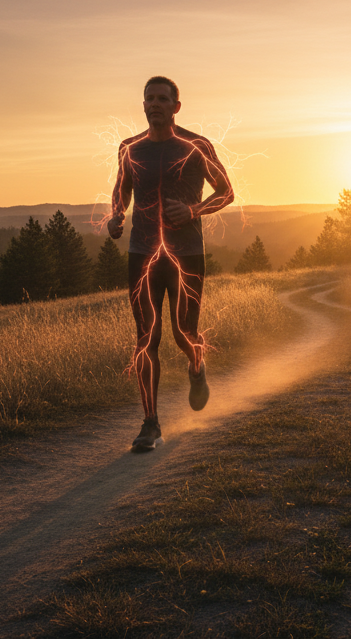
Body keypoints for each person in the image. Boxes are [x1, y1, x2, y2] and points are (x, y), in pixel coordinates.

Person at [107, 76, 234, 452]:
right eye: (150, 99)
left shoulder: (197, 145)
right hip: (142, 253)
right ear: (143, 105)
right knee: (147, 338)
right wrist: (116, 216)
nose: (155, 104)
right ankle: (150, 423)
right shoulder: (129, 148)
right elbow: (122, 189)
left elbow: (226, 191)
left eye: (164, 99)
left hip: (187, 253)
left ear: (176, 107)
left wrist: (194, 209)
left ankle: (196, 363)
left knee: (184, 333)